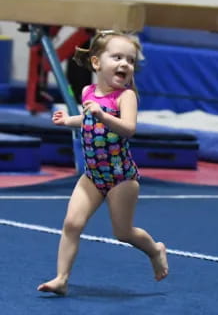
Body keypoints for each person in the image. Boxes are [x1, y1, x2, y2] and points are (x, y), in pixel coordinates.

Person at [37, 30, 168, 295]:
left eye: (130, 60)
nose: (124, 64)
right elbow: (88, 119)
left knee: (123, 232)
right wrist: (69, 121)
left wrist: (103, 116)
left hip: (121, 177)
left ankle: (155, 249)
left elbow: (129, 128)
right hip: (92, 175)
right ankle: (61, 278)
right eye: (117, 57)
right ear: (97, 63)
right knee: (72, 223)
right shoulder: (88, 91)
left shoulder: (125, 96)